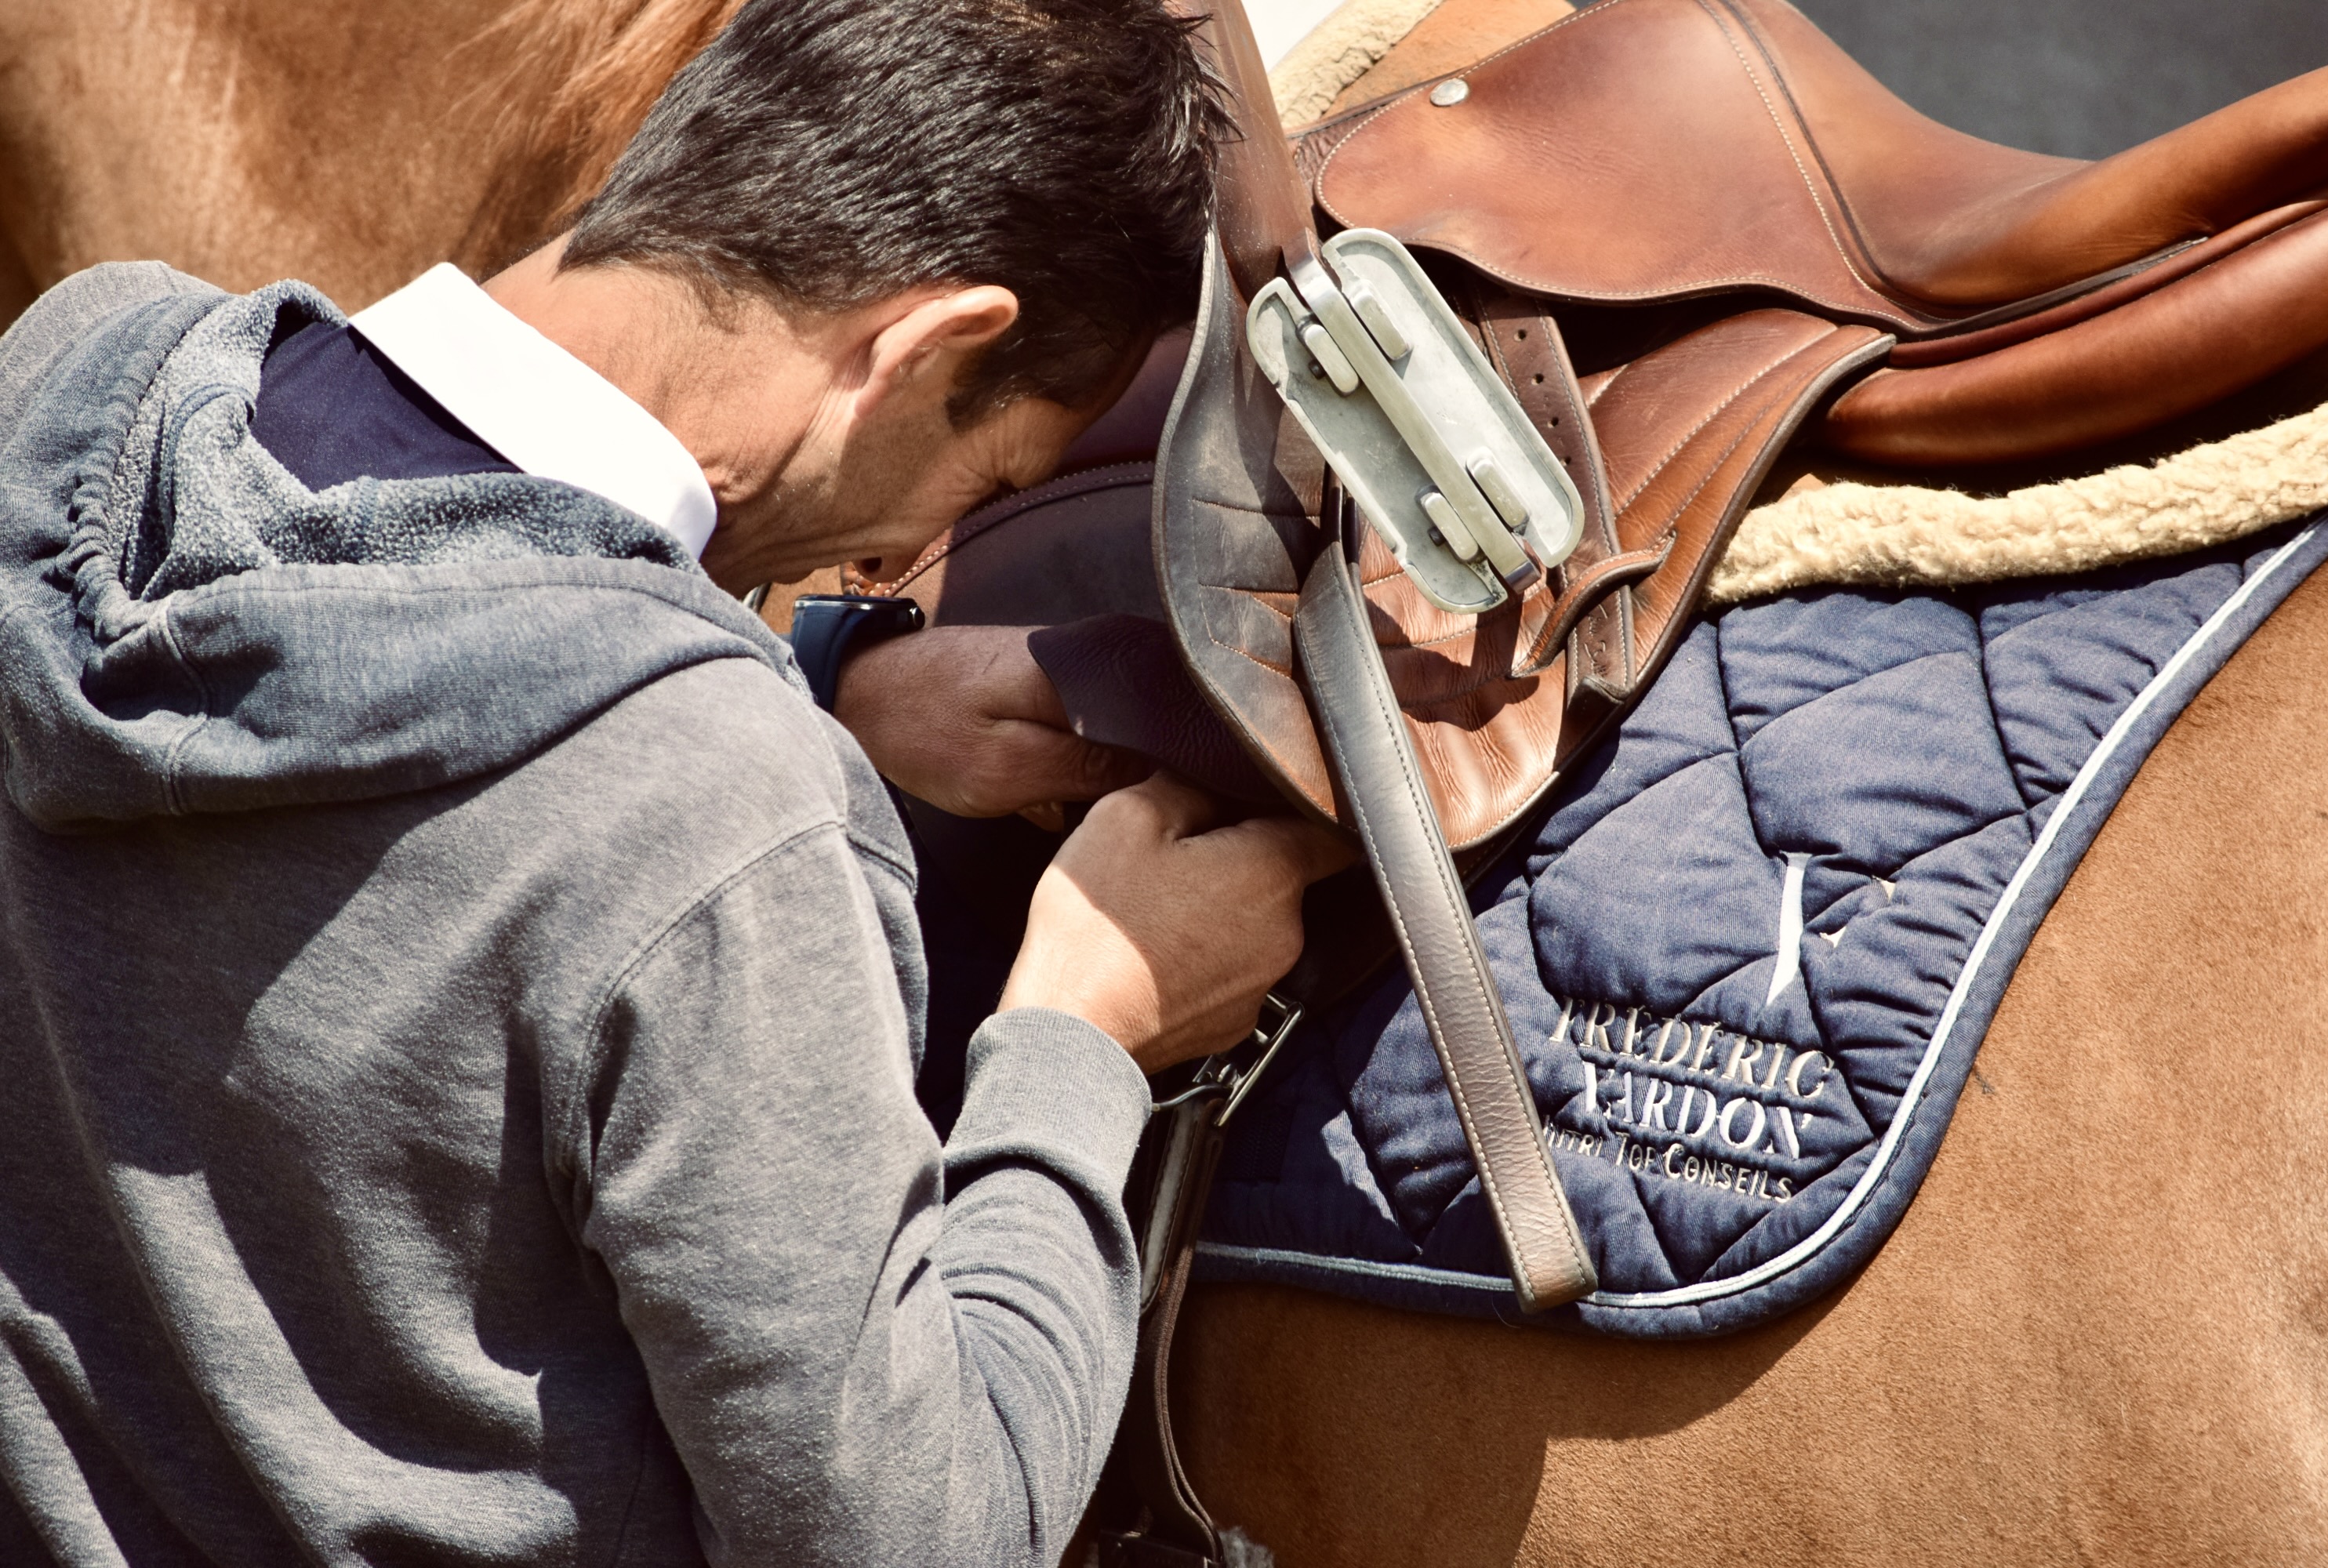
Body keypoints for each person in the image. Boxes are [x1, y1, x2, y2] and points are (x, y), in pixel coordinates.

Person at [0, 2, 1346, 1564]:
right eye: (981, 478)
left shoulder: (73, 377)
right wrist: (1080, 1038)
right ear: (922, 347)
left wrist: (820, 683)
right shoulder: (715, 812)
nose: (897, 557)